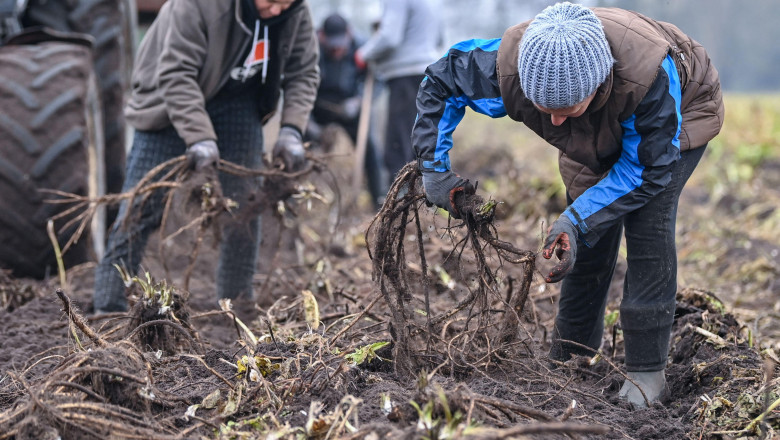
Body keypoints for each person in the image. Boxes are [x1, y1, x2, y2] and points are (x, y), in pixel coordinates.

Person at [413, 2, 723, 407]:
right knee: (586, 243)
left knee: (649, 228)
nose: (555, 123)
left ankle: (647, 373)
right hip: (592, 135)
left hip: (678, 116)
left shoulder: (648, 79)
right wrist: (434, 169)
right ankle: (571, 359)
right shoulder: (509, 63)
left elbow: (645, 171)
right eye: (546, 110)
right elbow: (440, 82)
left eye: (567, 108)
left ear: (597, 85)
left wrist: (575, 220)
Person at [92, 0, 319, 313]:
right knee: (140, 208)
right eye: (271, 2)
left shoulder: (294, 12)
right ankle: (107, 304)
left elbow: (304, 72)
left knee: (244, 209)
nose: (277, 11)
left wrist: (292, 129)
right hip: (169, 102)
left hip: (238, 102)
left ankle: (235, 308)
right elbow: (175, 73)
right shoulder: (199, 5)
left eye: (285, 4)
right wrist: (200, 137)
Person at [355, 0, 442, 187]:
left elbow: (389, 37)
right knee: (418, 139)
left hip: (406, 76)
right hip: (427, 74)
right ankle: (419, 198)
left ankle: (400, 202)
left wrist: (363, 54)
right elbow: (439, 39)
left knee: (398, 144)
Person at [307, 13, 387, 209]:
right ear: (322, 36)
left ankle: (379, 203)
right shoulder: (309, 48)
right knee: (301, 149)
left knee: (371, 150)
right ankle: (295, 199)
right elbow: (299, 85)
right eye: (332, 44)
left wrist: (359, 101)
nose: (337, 49)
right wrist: (308, 123)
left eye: (341, 43)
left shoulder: (363, 47)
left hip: (351, 106)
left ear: (349, 34)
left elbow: (377, 80)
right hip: (319, 107)